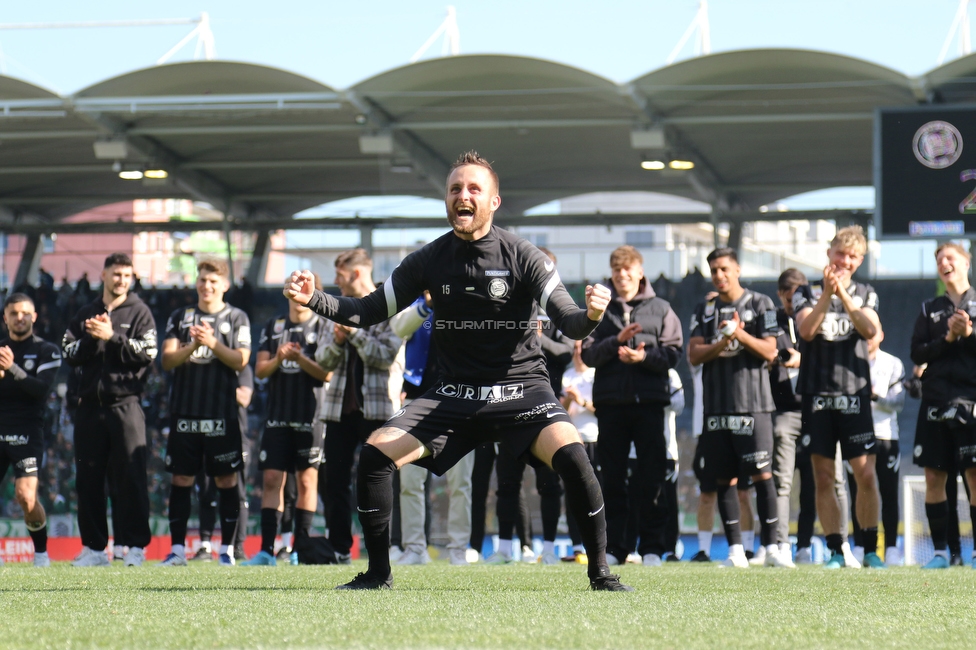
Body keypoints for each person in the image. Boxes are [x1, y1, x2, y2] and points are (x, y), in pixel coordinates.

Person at [285, 151, 630, 591]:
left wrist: (594, 315)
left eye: (473, 189)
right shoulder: (428, 259)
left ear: (494, 202)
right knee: (374, 456)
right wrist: (315, 298)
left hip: (520, 388)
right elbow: (369, 310)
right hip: (453, 394)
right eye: (454, 189)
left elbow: (569, 321)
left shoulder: (525, 255)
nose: (462, 196)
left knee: (576, 458)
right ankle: (377, 574)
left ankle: (600, 573)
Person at [580, 245, 682, 568]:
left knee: (653, 477)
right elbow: (588, 355)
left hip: (650, 406)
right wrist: (616, 341)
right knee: (611, 479)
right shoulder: (599, 311)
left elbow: (673, 353)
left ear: (640, 272)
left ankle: (653, 547)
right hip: (610, 407)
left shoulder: (662, 308)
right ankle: (615, 548)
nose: (622, 276)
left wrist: (643, 358)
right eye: (616, 270)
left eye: (628, 270)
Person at [688, 247, 789, 568]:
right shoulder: (704, 310)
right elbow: (693, 354)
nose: (719, 275)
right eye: (714, 270)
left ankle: (772, 549)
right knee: (724, 481)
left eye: (724, 269)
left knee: (762, 476)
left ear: (737, 270)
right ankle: (734, 551)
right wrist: (721, 341)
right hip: (717, 408)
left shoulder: (762, 304)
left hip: (754, 406)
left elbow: (771, 351)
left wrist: (740, 334)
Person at [793, 225, 885, 569]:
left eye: (851, 256)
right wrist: (826, 296)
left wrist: (843, 296)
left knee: (865, 474)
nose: (844, 261)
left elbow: (871, 329)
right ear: (829, 253)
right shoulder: (805, 291)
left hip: (854, 394)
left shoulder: (866, 292)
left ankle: (870, 549)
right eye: (839, 254)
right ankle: (835, 550)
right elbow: (805, 330)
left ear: (859, 260)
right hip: (816, 395)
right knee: (823, 477)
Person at [63, 253, 157, 567]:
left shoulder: (140, 312)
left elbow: (148, 353)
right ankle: (94, 549)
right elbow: (70, 352)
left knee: (131, 478)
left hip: (126, 406)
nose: (121, 280)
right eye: (116, 274)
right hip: (89, 408)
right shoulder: (85, 313)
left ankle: (134, 547)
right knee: (88, 480)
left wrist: (112, 337)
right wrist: (92, 338)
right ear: (103, 274)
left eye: (126, 275)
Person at [314, 248, 405, 565]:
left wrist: (352, 334)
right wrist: (338, 342)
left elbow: (383, 357)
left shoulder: (390, 308)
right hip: (338, 409)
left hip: (379, 411)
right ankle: (339, 548)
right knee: (334, 481)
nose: (335, 282)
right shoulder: (334, 309)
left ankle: (385, 548)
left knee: (379, 481)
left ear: (355, 274)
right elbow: (322, 361)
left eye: (339, 275)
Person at [159, 259, 251, 567]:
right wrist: (192, 345)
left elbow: (241, 360)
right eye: (202, 280)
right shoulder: (180, 317)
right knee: (182, 479)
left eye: (213, 281)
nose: (206, 285)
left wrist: (211, 342)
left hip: (222, 414)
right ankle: (176, 551)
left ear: (224, 285)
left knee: (226, 481)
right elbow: (168, 360)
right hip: (185, 411)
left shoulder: (238, 318)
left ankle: (226, 551)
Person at [242, 285, 329, 566]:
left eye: (307, 288)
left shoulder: (323, 325)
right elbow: (260, 370)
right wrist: (280, 357)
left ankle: (300, 549)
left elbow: (327, 373)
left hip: (311, 417)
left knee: (306, 482)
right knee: (271, 480)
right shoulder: (274, 326)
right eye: (295, 288)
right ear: (287, 293)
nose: (299, 294)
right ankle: (267, 550)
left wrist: (300, 358)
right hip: (277, 416)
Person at [391, 293, 475, 566]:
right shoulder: (417, 301)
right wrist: (427, 304)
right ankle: (415, 548)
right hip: (417, 398)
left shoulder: (468, 298)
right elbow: (398, 328)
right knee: (410, 481)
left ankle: (459, 549)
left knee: (460, 481)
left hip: (461, 399)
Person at [909, 242, 976, 569]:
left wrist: (970, 334)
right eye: (939, 260)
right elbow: (917, 354)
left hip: (971, 402)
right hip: (935, 401)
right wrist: (948, 339)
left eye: (950, 257)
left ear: (966, 262)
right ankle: (940, 553)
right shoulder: (929, 308)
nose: (944, 263)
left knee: (974, 476)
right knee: (934, 476)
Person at [0, 293, 61, 567]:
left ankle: (41, 553)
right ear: (5, 318)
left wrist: (11, 368)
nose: (20, 317)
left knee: (26, 496)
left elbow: (41, 390)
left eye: (25, 313)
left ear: (34, 316)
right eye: (14, 313)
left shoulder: (48, 350)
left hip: (26, 431)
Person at [845, 328, 904, 564]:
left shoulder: (893, 363)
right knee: (858, 491)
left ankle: (891, 548)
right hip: (856, 435)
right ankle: (859, 545)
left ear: (881, 335)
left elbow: (899, 403)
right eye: (864, 334)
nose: (868, 339)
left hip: (886, 435)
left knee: (889, 493)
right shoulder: (849, 362)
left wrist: (875, 397)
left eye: (873, 334)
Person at [193, 365, 254, 561]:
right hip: (207, 434)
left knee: (239, 492)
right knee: (206, 489)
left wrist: (217, 385)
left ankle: (236, 546)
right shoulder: (203, 368)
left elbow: (244, 398)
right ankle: (205, 546)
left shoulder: (242, 369)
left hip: (236, 437)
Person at [560, 340, 599, 561]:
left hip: (594, 439)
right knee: (573, 494)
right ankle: (577, 548)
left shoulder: (595, 374)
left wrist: (581, 401)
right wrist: (568, 401)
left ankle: (599, 546)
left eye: (581, 347)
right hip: (573, 440)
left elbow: (601, 408)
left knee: (595, 493)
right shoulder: (567, 376)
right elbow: (561, 409)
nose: (577, 352)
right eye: (574, 348)